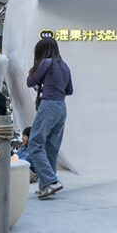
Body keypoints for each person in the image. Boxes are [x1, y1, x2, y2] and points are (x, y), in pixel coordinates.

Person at [26, 37, 73, 199]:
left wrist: (42, 86)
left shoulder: (46, 62)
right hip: (62, 107)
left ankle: (51, 181)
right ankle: (45, 187)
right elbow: (69, 90)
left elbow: (30, 81)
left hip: (49, 106)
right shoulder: (64, 66)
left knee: (34, 144)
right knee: (51, 149)